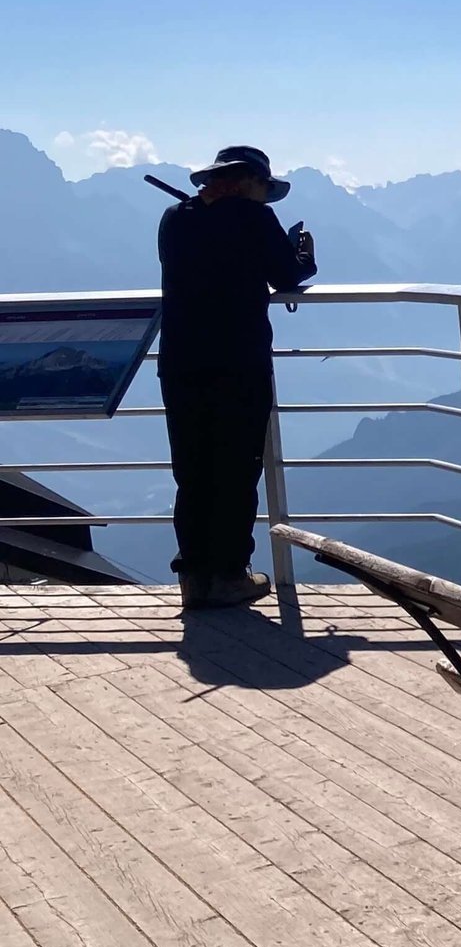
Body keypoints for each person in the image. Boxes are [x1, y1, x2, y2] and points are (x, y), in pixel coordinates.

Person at [157, 145, 316, 610]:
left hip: (180, 361)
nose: (265, 198)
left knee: (192, 470)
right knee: (234, 469)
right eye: (263, 188)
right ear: (248, 182)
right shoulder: (253, 219)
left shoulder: (174, 218)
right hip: (237, 362)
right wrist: (302, 255)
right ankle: (229, 575)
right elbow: (286, 274)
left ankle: (194, 577)